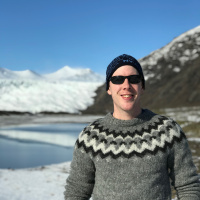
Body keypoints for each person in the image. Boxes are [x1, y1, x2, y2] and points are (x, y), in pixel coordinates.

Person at [64, 54, 200, 200]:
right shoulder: (90, 136)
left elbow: (187, 185)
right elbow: (77, 190)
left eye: (134, 79)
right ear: (108, 88)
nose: (126, 86)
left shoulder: (167, 130)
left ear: (142, 87)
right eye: (117, 79)